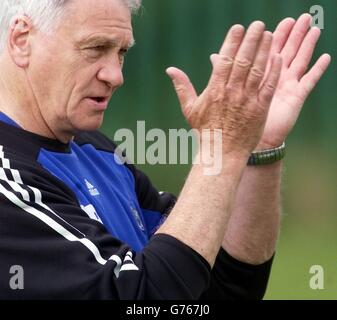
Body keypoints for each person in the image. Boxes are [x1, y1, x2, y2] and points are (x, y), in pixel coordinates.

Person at [0, 0, 330, 300]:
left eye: (121, 52)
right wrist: (223, 145)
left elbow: (226, 287)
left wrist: (258, 148)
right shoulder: (7, 179)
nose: (116, 75)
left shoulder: (96, 151)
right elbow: (144, 297)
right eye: (95, 48)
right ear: (21, 40)